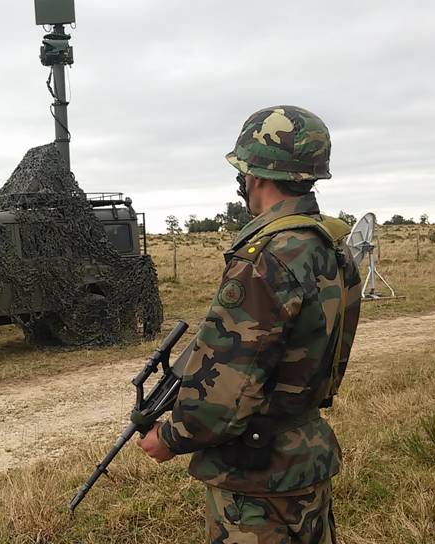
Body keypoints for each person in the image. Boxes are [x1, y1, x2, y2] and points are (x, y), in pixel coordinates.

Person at [138, 105, 362, 543]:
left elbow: (225, 390)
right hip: (305, 454)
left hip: (258, 480)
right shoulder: (330, 244)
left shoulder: (267, 258)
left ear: (253, 175)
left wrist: (170, 435)